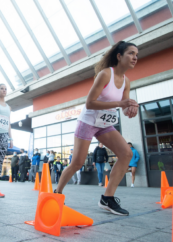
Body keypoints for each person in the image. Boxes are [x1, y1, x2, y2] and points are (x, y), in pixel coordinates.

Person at [55, 41, 139, 216]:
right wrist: (120, 103)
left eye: (136, 54)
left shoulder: (127, 82)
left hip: (104, 124)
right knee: (77, 162)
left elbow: (123, 107)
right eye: (131, 53)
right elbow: (90, 102)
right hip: (88, 121)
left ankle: (107, 198)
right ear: (119, 56)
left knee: (127, 153)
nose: (135, 57)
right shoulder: (105, 74)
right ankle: (57, 194)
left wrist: (129, 109)